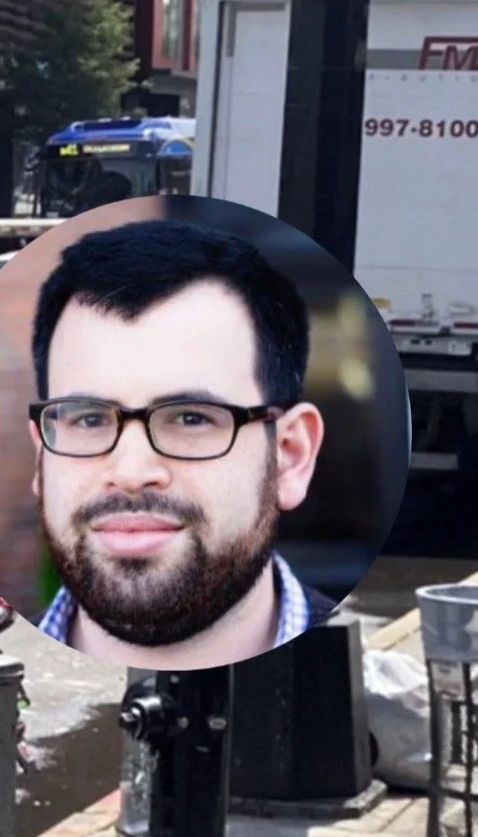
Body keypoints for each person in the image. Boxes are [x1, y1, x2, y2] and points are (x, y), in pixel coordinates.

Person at [29, 219, 334, 668]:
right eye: (89, 419)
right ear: (40, 457)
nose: (130, 473)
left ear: (289, 457)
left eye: (190, 418)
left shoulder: (389, 698)